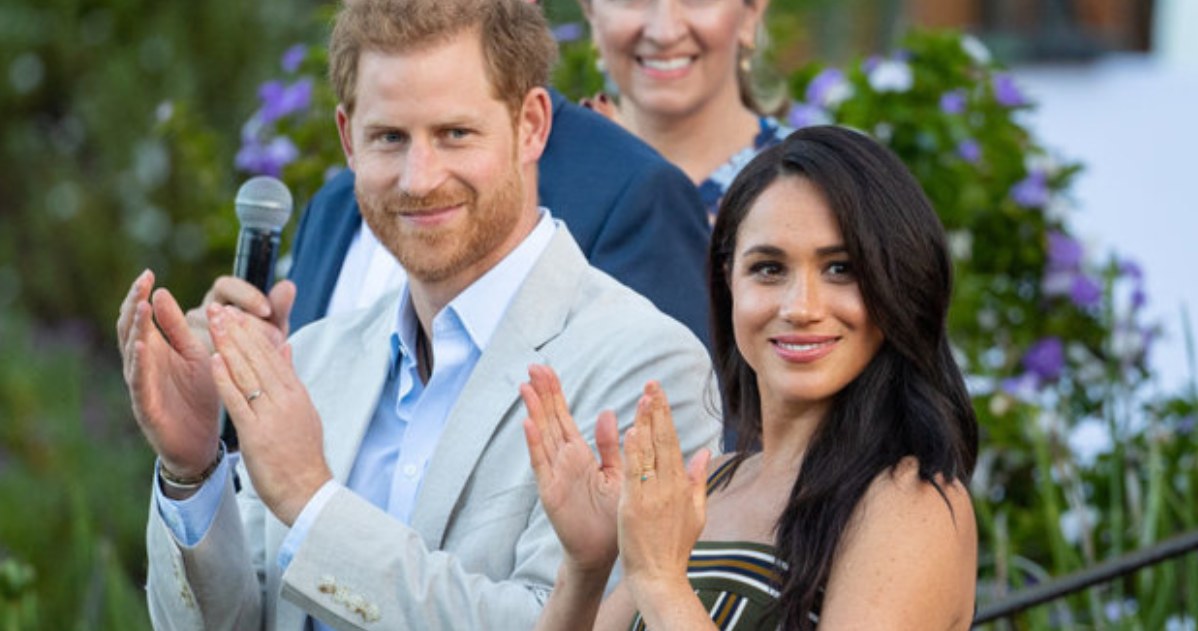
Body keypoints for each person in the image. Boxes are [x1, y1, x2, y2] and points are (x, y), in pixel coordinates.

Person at [116, 0, 720, 628]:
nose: (419, 179)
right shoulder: (318, 356)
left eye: (454, 133)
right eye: (390, 138)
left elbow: (560, 621)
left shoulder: (649, 366)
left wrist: (310, 499)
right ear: (349, 140)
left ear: (532, 125)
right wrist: (194, 472)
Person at [520, 125, 979, 630]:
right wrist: (586, 566)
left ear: (899, 281)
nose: (801, 307)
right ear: (728, 280)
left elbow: (660, 583)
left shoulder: (911, 499)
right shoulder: (708, 485)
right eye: (768, 269)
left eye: (841, 269)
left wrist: (661, 582)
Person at [579, 0, 792, 219]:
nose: (664, 33)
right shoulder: (549, 183)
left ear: (750, 13)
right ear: (590, 10)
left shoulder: (817, 181)